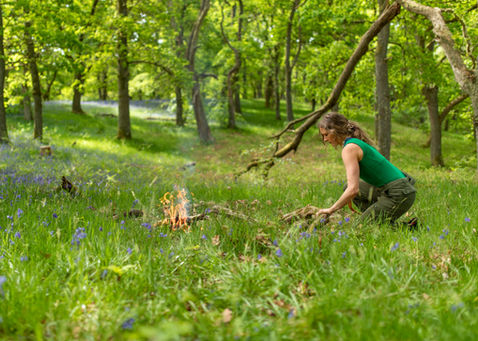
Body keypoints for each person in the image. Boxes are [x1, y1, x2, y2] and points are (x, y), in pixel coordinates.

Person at [316, 112, 416, 225]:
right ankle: (375, 218)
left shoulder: (350, 149)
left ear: (336, 131)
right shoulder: (353, 144)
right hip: (397, 188)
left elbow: (353, 189)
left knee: (361, 226)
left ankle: (393, 225)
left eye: (326, 135)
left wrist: (331, 210)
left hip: (400, 193)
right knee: (347, 187)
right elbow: (352, 189)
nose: (324, 139)